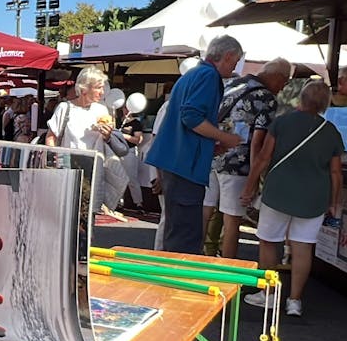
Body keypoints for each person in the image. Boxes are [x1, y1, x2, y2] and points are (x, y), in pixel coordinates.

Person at [241, 80, 344, 317]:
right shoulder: (330, 131)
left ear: (301, 99)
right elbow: (336, 172)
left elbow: (264, 158)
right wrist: (334, 201)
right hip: (313, 197)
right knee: (303, 247)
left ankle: (268, 294)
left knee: (268, 241)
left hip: (278, 191)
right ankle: (294, 301)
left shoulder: (282, 123)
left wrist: (249, 187)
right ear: (325, 104)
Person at [146, 43, 245, 252]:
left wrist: (212, 145)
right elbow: (191, 117)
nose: (235, 68)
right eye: (235, 62)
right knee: (185, 236)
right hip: (185, 166)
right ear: (227, 56)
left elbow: (186, 120)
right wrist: (225, 137)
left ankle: (170, 279)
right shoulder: (208, 76)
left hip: (176, 162)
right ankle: (178, 283)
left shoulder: (192, 75)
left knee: (176, 231)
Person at [206, 57, 289, 259]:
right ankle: (227, 272)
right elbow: (257, 142)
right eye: (285, 82)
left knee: (205, 212)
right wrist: (253, 181)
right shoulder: (266, 97)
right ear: (277, 77)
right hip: (238, 165)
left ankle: (194, 262)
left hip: (212, 156)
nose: (283, 87)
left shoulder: (233, 84)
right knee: (232, 221)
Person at [46, 66, 128, 216]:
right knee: (66, 214)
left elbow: (109, 141)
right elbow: (51, 137)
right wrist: (54, 163)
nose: (102, 92)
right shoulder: (65, 108)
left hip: (94, 172)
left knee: (89, 217)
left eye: (102, 88)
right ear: (84, 89)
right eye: (98, 88)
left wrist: (108, 135)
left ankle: (86, 239)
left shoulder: (101, 111)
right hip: (68, 171)